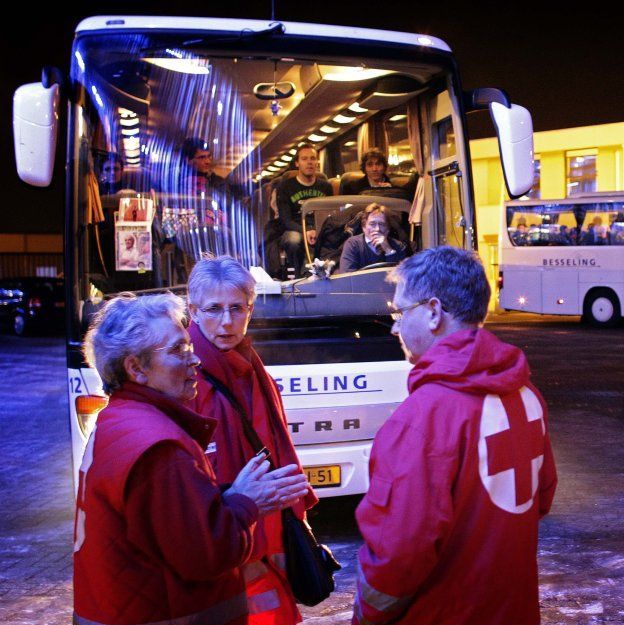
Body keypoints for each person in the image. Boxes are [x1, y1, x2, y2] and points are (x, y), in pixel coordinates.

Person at [74, 293, 310, 625]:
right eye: (177, 350)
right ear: (136, 368)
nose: (195, 360)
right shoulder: (162, 446)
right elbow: (209, 554)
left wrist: (226, 499)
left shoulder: (120, 419)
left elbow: (165, 523)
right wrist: (246, 502)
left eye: (189, 345)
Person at [353, 246, 557, 625]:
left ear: (433, 312)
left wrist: (365, 617)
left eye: (399, 312)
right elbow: (541, 500)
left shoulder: (421, 418)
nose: (395, 327)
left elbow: (398, 554)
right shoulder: (526, 394)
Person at [186, 257, 319, 625]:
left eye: (236, 308)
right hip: (229, 538)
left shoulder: (248, 362)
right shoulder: (184, 374)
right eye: (213, 309)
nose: (226, 322)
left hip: (265, 528)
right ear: (192, 309)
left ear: (250, 309)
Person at [275, 145, 333, 275]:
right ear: (297, 163)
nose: (309, 162)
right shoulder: (285, 187)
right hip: (295, 228)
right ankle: (300, 275)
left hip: (320, 227)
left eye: (313, 158)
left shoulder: (326, 186)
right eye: (304, 159)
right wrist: (306, 231)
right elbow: (286, 220)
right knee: (294, 240)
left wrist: (319, 230)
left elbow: (331, 214)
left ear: (317, 162)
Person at [338, 203, 410, 273]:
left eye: (382, 224)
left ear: (388, 229)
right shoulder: (353, 244)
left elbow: (402, 277)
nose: (377, 229)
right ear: (364, 227)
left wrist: (388, 250)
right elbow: (347, 277)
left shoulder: (398, 246)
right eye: (372, 224)